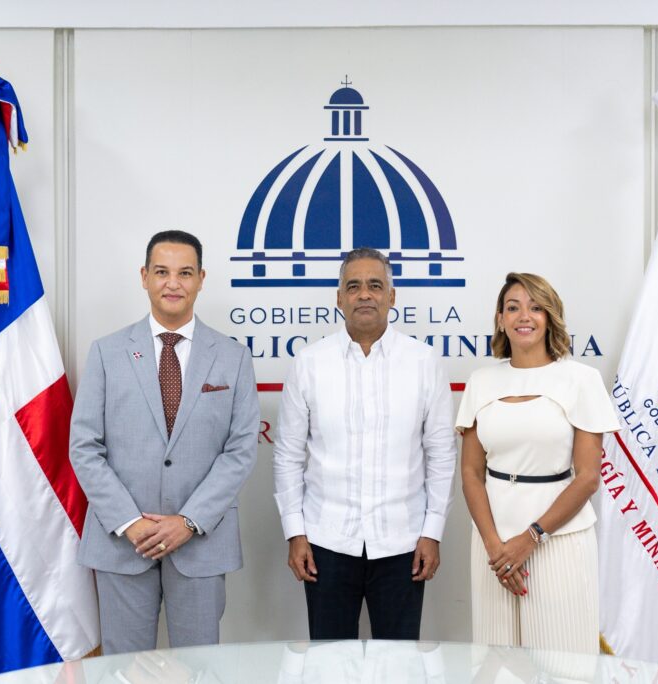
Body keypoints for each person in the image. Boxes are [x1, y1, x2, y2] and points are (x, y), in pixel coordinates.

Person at [70, 230, 259, 653]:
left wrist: (188, 520)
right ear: (144, 277)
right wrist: (130, 522)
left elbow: (241, 449)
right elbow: (84, 446)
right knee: (124, 671)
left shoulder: (233, 357)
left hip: (201, 542)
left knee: (199, 670)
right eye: (162, 272)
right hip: (123, 542)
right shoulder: (106, 352)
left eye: (185, 273)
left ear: (201, 279)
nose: (173, 283)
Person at [273, 247, 457, 640]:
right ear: (339, 298)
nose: (365, 295)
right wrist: (295, 532)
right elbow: (288, 455)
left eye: (375, 285)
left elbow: (441, 455)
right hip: (325, 541)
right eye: (353, 286)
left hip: (403, 543)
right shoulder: (310, 362)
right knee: (329, 663)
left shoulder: (424, 362)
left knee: (400, 664)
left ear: (392, 296)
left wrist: (432, 532)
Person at [457, 272, 619, 653]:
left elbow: (588, 478)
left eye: (535, 307)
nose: (523, 316)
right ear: (500, 319)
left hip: (559, 542)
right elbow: (471, 472)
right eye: (512, 308)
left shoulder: (581, 380)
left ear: (550, 316)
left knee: (563, 666)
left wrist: (530, 538)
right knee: (496, 667)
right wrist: (496, 548)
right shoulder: (481, 381)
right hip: (492, 547)